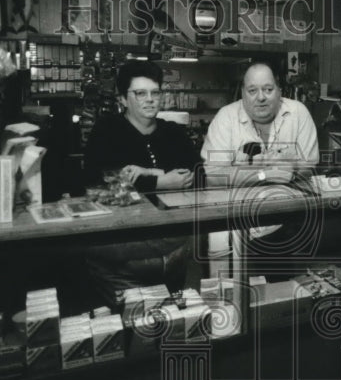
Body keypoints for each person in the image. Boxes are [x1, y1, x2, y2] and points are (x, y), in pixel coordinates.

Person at [82, 60, 201, 311]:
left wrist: (144, 174)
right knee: (134, 331)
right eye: (140, 93)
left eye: (155, 93)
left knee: (171, 323)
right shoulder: (107, 131)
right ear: (123, 99)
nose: (150, 99)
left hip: (173, 248)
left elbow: (197, 175)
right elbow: (99, 182)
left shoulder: (173, 133)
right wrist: (163, 180)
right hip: (123, 249)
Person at [200, 62, 320, 260]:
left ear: (279, 90)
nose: (261, 97)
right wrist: (266, 173)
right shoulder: (225, 118)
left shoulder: (298, 113)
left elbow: (309, 165)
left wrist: (288, 169)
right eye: (252, 90)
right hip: (231, 224)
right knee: (228, 286)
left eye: (268, 89)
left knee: (276, 287)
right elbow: (214, 176)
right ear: (243, 93)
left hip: (282, 224)